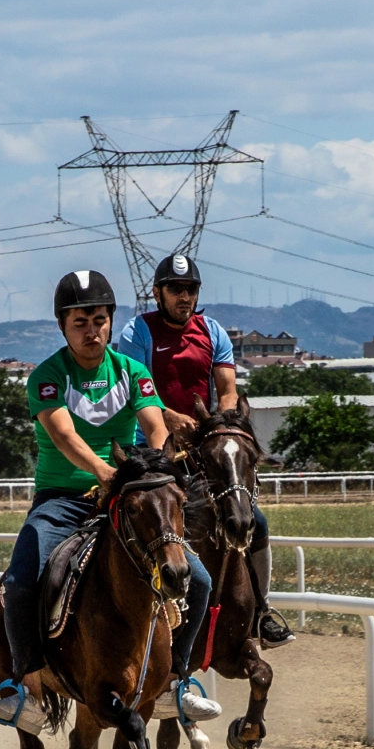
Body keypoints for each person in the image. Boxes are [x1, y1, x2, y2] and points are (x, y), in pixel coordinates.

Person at [0, 269, 217, 733]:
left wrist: (155, 464)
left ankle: (176, 680)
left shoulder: (133, 372)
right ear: (63, 327)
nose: (91, 330)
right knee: (23, 579)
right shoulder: (48, 378)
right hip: (62, 499)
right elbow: (65, 435)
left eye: (98, 320)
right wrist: (104, 472)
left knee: (201, 580)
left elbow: (153, 424)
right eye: (80, 322)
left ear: (111, 321)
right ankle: (21, 686)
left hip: (126, 497)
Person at [114, 253, 294, 648]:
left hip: (201, 455)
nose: (184, 296)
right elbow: (132, 390)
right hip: (153, 454)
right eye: (176, 289)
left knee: (255, 521)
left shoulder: (212, 332)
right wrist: (167, 417)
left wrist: (222, 426)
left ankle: (260, 612)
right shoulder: (137, 332)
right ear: (158, 293)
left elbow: (227, 389)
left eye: (191, 289)